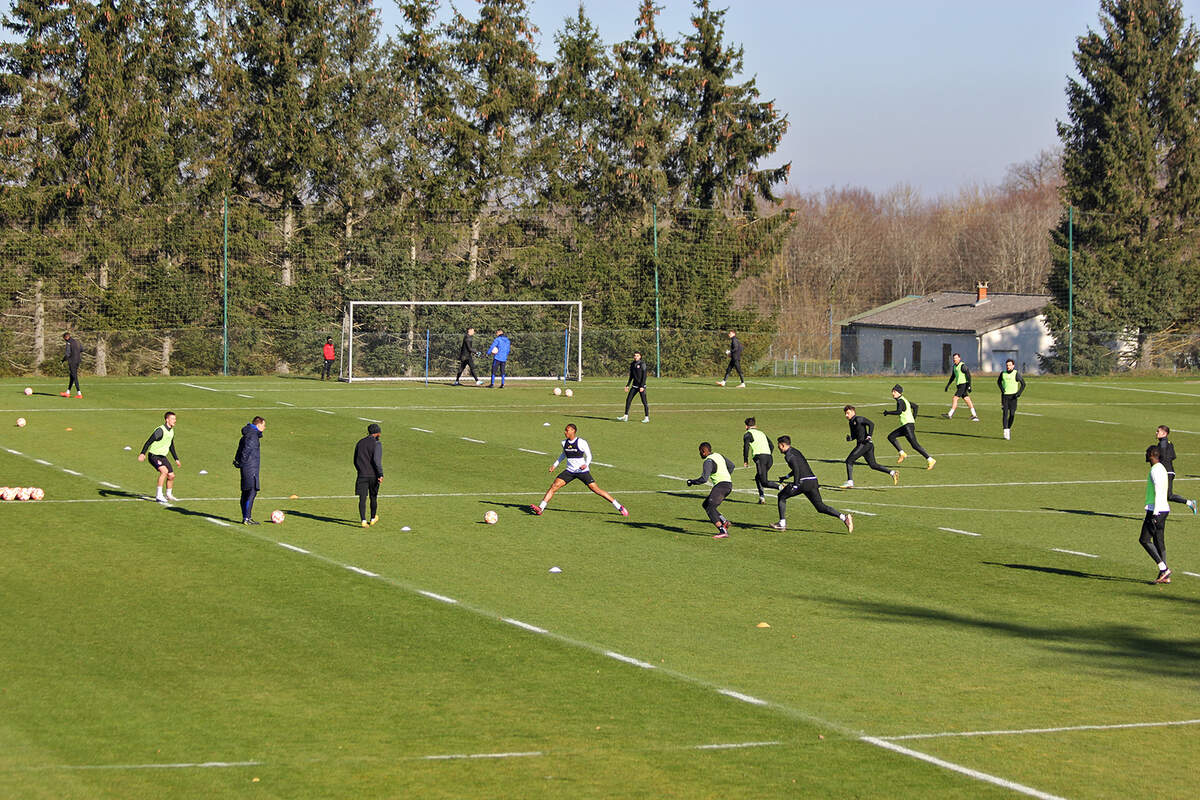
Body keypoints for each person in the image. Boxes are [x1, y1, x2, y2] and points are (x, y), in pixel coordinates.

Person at [530, 423, 628, 517]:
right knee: (554, 486)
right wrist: (555, 465)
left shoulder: (582, 442)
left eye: (567, 430)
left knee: (596, 490)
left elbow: (589, 455)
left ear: (573, 431)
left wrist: (586, 464)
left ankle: (619, 506)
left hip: (582, 471)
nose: (565, 432)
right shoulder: (564, 443)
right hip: (570, 471)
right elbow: (563, 454)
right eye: (565, 430)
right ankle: (540, 508)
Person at [770, 435, 853, 533]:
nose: (778, 448)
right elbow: (800, 466)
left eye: (779, 445)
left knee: (781, 496)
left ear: (783, 445)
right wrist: (786, 477)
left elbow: (797, 469)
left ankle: (782, 524)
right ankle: (844, 518)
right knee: (820, 507)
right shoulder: (795, 451)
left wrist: (796, 485)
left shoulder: (788, 456)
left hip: (803, 482)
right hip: (813, 481)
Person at [686, 442, 735, 538]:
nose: (699, 454)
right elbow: (732, 466)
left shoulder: (708, 461)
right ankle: (724, 521)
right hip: (728, 484)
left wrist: (692, 482)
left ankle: (722, 531)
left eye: (700, 452)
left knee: (710, 508)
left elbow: (704, 479)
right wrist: (725, 475)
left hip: (721, 486)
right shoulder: (719, 455)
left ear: (704, 451)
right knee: (706, 504)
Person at [841, 405, 898, 488]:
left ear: (853, 412)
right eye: (845, 413)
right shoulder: (851, 422)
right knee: (873, 465)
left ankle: (850, 482)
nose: (846, 415)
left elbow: (871, 424)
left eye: (848, 413)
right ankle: (892, 473)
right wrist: (850, 438)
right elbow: (855, 435)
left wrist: (869, 436)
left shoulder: (859, 419)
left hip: (864, 444)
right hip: (867, 445)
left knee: (849, 461)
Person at [1140, 445, 1172, 583]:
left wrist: (1155, 513)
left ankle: (1164, 568)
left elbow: (1159, 491)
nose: (1145, 455)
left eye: (1147, 453)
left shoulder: (1155, 470)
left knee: (1145, 539)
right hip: (1163, 509)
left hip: (1156, 510)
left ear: (1152, 454)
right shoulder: (1161, 468)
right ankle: (1164, 575)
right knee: (1159, 541)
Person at [884, 384, 935, 469]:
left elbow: (899, 412)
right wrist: (913, 419)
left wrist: (888, 412)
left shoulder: (900, 401)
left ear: (899, 393)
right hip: (907, 426)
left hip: (907, 426)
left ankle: (930, 459)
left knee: (915, 445)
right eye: (892, 391)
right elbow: (915, 406)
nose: (893, 393)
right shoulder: (905, 400)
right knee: (891, 437)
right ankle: (902, 453)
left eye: (894, 392)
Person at [137, 411, 180, 504]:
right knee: (164, 472)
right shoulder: (160, 430)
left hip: (163, 456)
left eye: (175, 419)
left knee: (171, 476)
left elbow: (171, 445)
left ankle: (168, 494)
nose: (175, 421)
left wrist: (176, 458)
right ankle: (159, 495)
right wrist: (142, 453)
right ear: (167, 420)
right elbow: (148, 441)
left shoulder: (171, 431)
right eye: (173, 419)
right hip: (154, 455)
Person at [1155, 425, 1198, 514]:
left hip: (1165, 472)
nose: (1156, 433)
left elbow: (1162, 455)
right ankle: (1157, 513)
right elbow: (1173, 456)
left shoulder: (1162, 443)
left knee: (1167, 495)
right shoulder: (1170, 443)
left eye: (1158, 431)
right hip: (1170, 471)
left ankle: (1190, 503)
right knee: (1165, 495)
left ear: (1164, 433)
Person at [233, 416, 266, 524]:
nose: (265, 427)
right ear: (258, 425)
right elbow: (246, 450)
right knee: (252, 491)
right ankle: (247, 518)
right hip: (250, 467)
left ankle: (246, 517)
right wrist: (241, 462)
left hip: (248, 466)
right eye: (264, 425)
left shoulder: (248, 434)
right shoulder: (252, 436)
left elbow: (240, 448)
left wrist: (238, 461)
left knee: (246, 492)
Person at [354, 423, 384, 528]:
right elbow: (377, 461)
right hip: (373, 475)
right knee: (373, 497)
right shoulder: (377, 444)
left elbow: (355, 460)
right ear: (377, 433)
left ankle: (363, 520)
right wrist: (380, 474)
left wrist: (360, 470)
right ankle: (372, 518)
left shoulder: (360, 443)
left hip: (362, 474)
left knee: (362, 498)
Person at [743, 417, 773, 503]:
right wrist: (767, 454)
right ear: (755, 425)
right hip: (769, 458)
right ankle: (762, 497)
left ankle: (781, 487)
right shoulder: (762, 433)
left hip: (761, 459)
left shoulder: (748, 434)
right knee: (758, 478)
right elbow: (771, 445)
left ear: (746, 426)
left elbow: (746, 447)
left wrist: (746, 460)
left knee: (764, 481)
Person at [942, 353, 978, 421]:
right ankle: (974, 415)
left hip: (963, 385)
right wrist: (948, 385)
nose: (954, 359)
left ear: (959, 358)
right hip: (959, 385)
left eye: (956, 358)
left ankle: (950, 414)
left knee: (955, 398)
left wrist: (969, 386)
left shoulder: (962, 366)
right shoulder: (955, 366)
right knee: (967, 399)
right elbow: (953, 376)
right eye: (954, 358)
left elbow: (968, 375)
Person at [996, 358, 1026, 440]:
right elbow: (998, 382)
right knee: (1005, 413)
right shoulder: (1003, 373)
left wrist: (1018, 393)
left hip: (1013, 397)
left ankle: (1008, 428)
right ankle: (1005, 431)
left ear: (1013, 366)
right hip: (1005, 397)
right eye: (1007, 365)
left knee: (1012, 414)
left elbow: (1023, 384)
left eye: (1010, 365)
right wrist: (1002, 389)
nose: (1008, 367)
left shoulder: (1016, 374)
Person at [618, 351, 649, 422]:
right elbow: (631, 376)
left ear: (640, 356)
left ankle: (646, 417)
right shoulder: (632, 364)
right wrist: (627, 385)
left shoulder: (642, 364)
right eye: (635, 356)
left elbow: (644, 376)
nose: (636, 357)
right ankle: (625, 416)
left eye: (637, 356)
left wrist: (642, 386)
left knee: (644, 402)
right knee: (628, 400)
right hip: (634, 386)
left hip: (641, 386)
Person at [61, 332, 82, 398]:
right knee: (72, 376)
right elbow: (82, 349)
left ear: (66, 337)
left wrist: (63, 360)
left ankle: (79, 394)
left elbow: (67, 354)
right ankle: (68, 392)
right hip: (78, 361)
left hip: (72, 361)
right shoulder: (77, 341)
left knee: (74, 376)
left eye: (64, 338)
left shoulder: (68, 343)